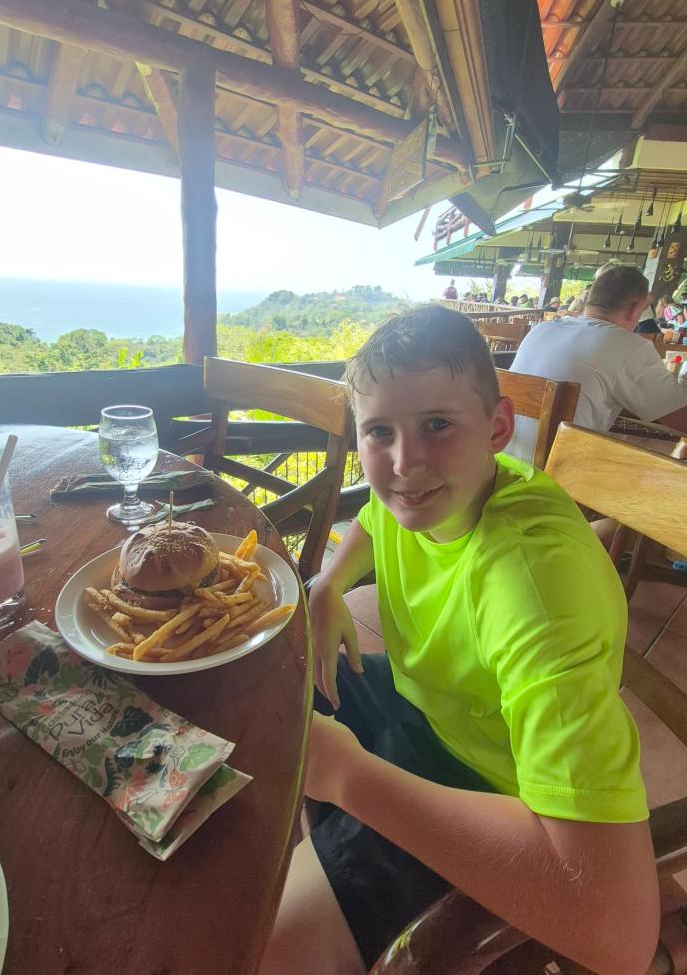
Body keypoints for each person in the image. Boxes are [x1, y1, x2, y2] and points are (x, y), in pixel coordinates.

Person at [260, 305, 658, 975]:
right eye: (379, 432)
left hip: (499, 791)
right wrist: (328, 583)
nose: (405, 463)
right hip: (429, 706)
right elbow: (377, 517)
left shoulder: (534, 588)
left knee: (262, 943)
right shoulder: (433, 489)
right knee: (276, 689)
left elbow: (617, 933)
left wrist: (348, 777)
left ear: (497, 426)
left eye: (437, 425)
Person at [508, 265, 687, 463]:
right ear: (634, 309)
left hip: (502, 462)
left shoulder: (542, 329)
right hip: (553, 474)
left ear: (590, 300)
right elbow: (681, 419)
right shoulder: (628, 346)